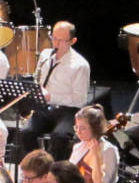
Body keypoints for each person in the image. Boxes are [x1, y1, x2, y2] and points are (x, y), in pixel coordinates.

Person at [20, 21, 90, 161]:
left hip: (68, 111)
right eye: (54, 38)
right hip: (45, 108)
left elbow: (79, 100)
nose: (56, 44)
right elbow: (39, 80)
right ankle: (38, 167)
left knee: (60, 136)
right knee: (26, 132)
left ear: (72, 41)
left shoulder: (80, 65)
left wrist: (51, 96)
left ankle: (55, 173)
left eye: (61, 40)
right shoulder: (46, 55)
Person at [68, 104, 122, 183]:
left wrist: (97, 157)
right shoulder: (78, 147)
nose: (78, 132)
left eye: (83, 128)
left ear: (95, 128)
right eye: (76, 127)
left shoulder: (109, 150)